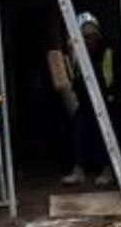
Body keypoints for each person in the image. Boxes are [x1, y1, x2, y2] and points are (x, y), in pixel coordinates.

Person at [49, 12, 115, 186]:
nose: (89, 41)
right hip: (85, 102)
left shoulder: (106, 54)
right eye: (86, 37)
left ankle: (108, 170)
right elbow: (74, 80)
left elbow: (112, 80)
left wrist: (111, 99)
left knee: (105, 136)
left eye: (92, 36)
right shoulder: (77, 56)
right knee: (78, 133)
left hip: (105, 101)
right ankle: (79, 170)